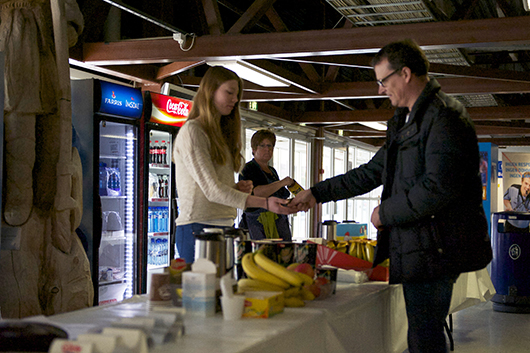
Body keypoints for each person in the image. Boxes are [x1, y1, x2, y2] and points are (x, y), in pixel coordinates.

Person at [289, 39, 492, 353]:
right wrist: (316, 193)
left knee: (424, 339)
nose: (381, 89)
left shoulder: (445, 117)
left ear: (406, 74)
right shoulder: (406, 121)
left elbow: (439, 187)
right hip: (420, 247)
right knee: (422, 336)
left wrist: (385, 213)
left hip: (437, 249)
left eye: (383, 81)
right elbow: (371, 172)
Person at [173, 66, 294, 264]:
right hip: (198, 228)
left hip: (224, 227)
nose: (235, 100)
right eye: (229, 92)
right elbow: (212, 191)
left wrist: (235, 189)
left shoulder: (219, 135)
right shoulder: (193, 131)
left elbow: (214, 189)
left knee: (223, 293)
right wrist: (264, 202)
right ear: (210, 91)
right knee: (203, 294)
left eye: (236, 94)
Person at [239, 130, 294, 241]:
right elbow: (255, 193)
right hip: (257, 223)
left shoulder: (272, 171)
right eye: (262, 146)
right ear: (254, 149)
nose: (267, 149)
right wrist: (281, 183)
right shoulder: (248, 168)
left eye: (270, 146)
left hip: (278, 221)